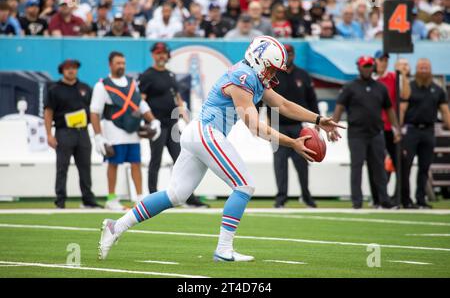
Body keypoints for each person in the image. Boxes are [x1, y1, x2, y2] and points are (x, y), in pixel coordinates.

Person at [98, 35, 344, 262]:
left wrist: (319, 120)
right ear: (258, 60)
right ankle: (224, 249)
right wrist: (292, 143)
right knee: (244, 185)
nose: (272, 74)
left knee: (175, 195)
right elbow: (253, 126)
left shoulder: (253, 76)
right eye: (270, 68)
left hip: (198, 133)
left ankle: (115, 226)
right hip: (207, 133)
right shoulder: (243, 77)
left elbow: (283, 104)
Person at [138, 42, 208, 208]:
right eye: (158, 53)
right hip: (157, 125)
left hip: (173, 125)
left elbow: (178, 99)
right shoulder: (147, 75)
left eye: (164, 53)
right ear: (153, 55)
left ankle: (188, 196)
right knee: (155, 160)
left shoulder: (170, 75)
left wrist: (188, 121)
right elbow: (140, 100)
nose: (161, 56)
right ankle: (152, 197)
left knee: (182, 159)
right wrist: (150, 120)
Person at [90, 51, 161, 210]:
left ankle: (139, 198)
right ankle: (111, 199)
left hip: (132, 129)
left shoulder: (132, 83)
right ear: (110, 64)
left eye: (123, 63)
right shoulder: (102, 85)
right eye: (118, 63)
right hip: (113, 130)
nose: (121, 66)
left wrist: (153, 120)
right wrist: (98, 137)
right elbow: (95, 112)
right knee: (113, 164)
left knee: (136, 163)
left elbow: (140, 105)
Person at [333, 56, 401, 209]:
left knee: (379, 168)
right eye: (364, 66)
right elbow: (339, 107)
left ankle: (383, 199)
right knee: (356, 167)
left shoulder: (380, 87)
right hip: (357, 133)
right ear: (358, 67)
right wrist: (333, 126)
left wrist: (396, 128)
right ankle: (357, 201)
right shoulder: (350, 87)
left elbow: (389, 109)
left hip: (376, 132)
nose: (367, 68)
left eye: (369, 65)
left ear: (373, 67)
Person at [44, 59, 102, 209]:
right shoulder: (54, 89)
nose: (71, 70)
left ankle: (88, 199)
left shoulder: (85, 88)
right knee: (62, 167)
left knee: (85, 167)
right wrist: (49, 134)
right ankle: (60, 200)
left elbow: (93, 109)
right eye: (68, 68)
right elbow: (48, 112)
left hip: (82, 132)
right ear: (62, 70)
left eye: (74, 68)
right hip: (64, 132)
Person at [268, 44, 319, 208]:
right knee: (280, 164)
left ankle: (306, 195)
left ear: (294, 55)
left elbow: (312, 99)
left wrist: (317, 121)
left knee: (302, 162)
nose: (288, 57)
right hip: (277, 123)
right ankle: (281, 198)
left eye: (290, 54)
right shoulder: (274, 74)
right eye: (286, 54)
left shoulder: (303, 75)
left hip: (298, 126)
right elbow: (263, 97)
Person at [400, 58, 450, 209]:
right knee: (406, 166)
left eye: (426, 67)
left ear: (430, 70)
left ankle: (420, 198)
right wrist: (399, 129)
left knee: (424, 167)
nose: (423, 70)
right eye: (421, 67)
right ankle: (406, 199)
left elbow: (445, 110)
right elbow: (402, 108)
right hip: (411, 130)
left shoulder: (437, 89)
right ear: (416, 69)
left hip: (429, 130)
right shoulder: (410, 87)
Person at [372, 50, 411, 207]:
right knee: (377, 164)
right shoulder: (371, 78)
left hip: (390, 127)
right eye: (381, 59)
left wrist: (404, 76)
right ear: (376, 61)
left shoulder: (394, 78)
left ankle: (402, 198)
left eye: (385, 59)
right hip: (375, 126)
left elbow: (406, 95)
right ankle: (379, 198)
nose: (384, 62)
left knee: (400, 163)